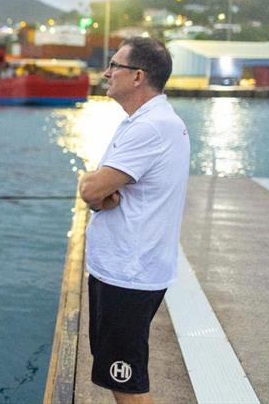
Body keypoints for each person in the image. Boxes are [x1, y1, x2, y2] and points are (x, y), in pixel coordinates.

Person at [78, 37, 190, 404]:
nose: (107, 72)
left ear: (138, 76)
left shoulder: (151, 127)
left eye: (115, 66)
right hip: (124, 269)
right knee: (118, 374)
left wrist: (92, 189)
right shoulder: (145, 121)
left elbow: (94, 187)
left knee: (127, 383)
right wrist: (99, 193)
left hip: (130, 273)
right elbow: (101, 192)